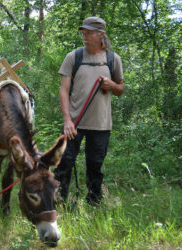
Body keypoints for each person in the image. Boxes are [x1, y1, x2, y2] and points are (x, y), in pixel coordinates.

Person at [54, 16, 124, 205]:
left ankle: (93, 202)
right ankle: (58, 200)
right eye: (83, 32)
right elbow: (64, 91)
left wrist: (111, 85)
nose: (84, 36)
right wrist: (67, 120)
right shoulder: (73, 57)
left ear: (101, 34)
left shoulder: (112, 59)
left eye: (89, 32)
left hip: (101, 124)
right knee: (64, 162)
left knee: (95, 165)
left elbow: (121, 89)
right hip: (74, 123)